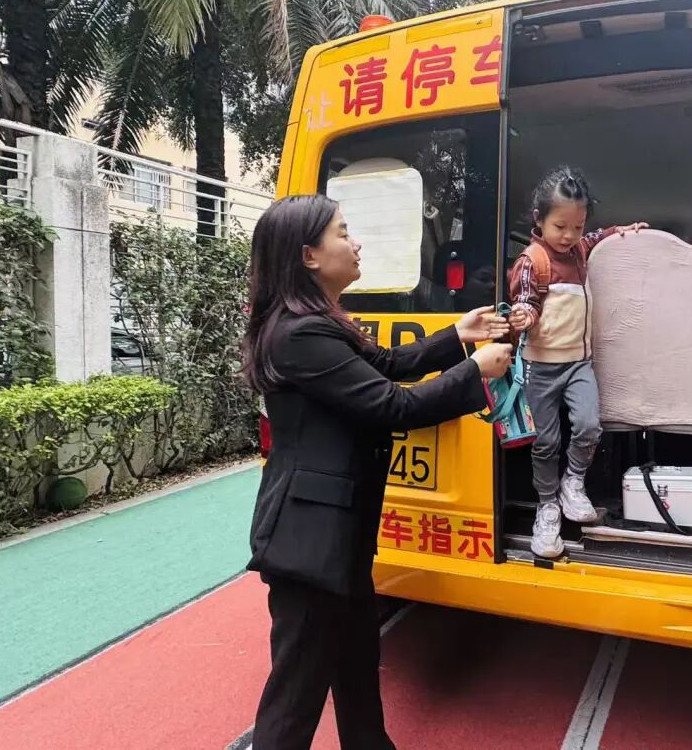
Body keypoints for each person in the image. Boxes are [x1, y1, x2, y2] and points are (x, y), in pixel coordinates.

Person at [241, 194, 512, 749]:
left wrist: (458, 336)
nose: (356, 242)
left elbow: (388, 365)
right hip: (309, 543)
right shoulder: (300, 334)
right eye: (343, 233)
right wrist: (474, 374)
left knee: (358, 668)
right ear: (309, 255)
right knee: (293, 704)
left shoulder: (321, 323)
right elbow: (393, 405)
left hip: (336, 537)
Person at [507, 166, 647, 559]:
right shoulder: (532, 261)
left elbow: (593, 238)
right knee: (546, 441)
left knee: (588, 426)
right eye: (560, 226)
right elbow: (526, 304)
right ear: (539, 219)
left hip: (579, 364)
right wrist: (523, 317)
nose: (569, 235)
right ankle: (547, 507)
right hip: (541, 366)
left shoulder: (580, 250)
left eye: (577, 225)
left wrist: (619, 232)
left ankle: (574, 482)